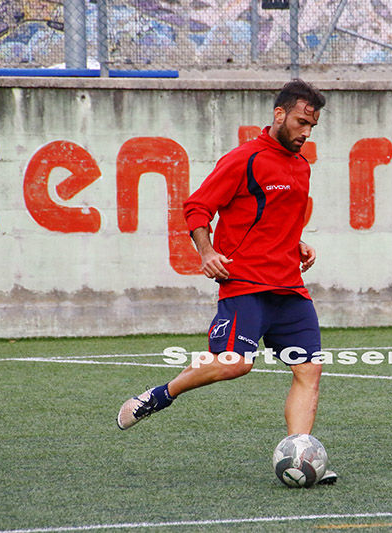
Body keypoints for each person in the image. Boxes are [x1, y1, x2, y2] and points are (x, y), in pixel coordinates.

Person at [117, 79, 336, 483]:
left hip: (289, 287)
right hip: (246, 284)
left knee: (309, 372)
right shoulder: (245, 159)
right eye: (302, 122)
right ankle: (161, 395)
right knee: (235, 365)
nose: (306, 133)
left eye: (313, 126)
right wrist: (207, 252)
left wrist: (297, 241)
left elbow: (274, 216)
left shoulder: (301, 165)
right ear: (279, 114)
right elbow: (198, 207)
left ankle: (300, 454)